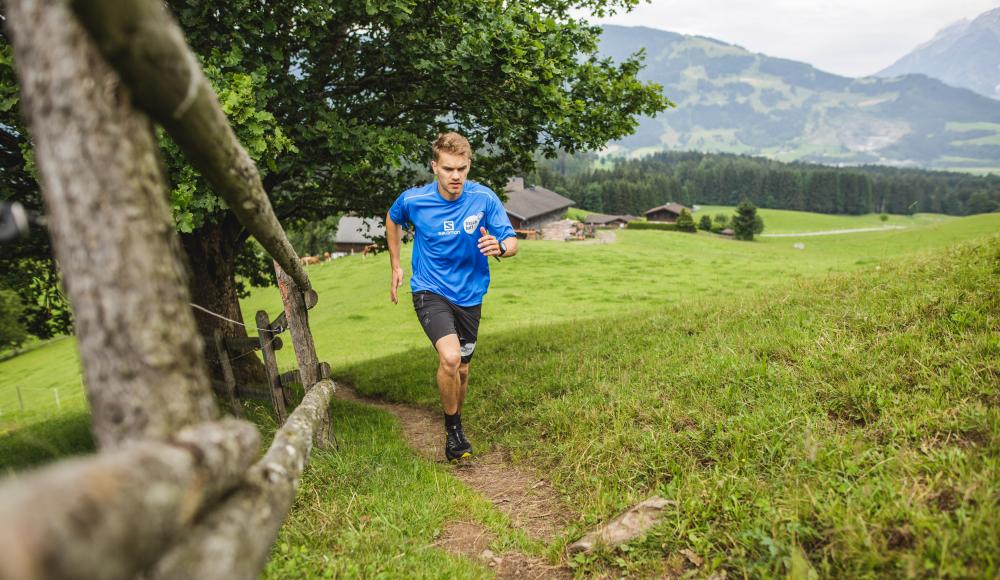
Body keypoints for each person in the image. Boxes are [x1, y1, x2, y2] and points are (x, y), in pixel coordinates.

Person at [386, 132, 518, 462]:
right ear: (435, 167)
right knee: (450, 358)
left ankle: (455, 420)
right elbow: (392, 218)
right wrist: (396, 265)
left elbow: (511, 240)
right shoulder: (414, 201)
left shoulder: (484, 199)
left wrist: (501, 247)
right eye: (448, 169)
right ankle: (454, 432)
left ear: (469, 166)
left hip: (470, 294)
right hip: (430, 290)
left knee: (462, 371)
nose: (455, 176)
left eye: (462, 168)